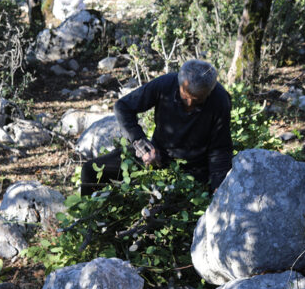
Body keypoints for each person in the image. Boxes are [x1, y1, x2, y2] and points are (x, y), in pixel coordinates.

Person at [79, 59, 233, 194]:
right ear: (179, 84)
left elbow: (220, 149)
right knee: (90, 170)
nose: (190, 104)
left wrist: (218, 186)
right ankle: (94, 225)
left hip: (193, 170)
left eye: (198, 100)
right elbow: (123, 107)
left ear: (210, 91)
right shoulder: (166, 84)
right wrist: (141, 144)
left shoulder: (220, 100)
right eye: (185, 97)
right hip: (157, 156)